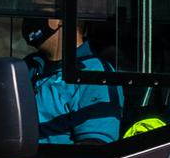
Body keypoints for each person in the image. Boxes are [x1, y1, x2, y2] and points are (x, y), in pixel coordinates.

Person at [27, 8, 124, 146]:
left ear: (60, 19)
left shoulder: (94, 73)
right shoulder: (30, 66)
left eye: (39, 10)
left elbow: (94, 148)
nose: (29, 17)